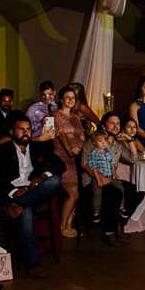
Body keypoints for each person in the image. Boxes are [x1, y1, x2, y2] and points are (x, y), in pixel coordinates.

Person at [0, 111, 65, 278]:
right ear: (12, 132)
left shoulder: (37, 147)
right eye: (21, 129)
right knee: (26, 212)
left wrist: (42, 177)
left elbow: (60, 165)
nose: (25, 133)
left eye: (28, 129)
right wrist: (15, 192)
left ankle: (18, 204)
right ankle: (33, 265)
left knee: (55, 181)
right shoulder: (4, 150)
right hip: (12, 194)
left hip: (33, 192)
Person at [86, 130, 130, 246]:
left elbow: (117, 162)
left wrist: (115, 173)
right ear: (95, 143)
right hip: (98, 177)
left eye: (105, 141)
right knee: (100, 192)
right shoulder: (94, 152)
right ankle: (98, 214)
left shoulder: (110, 150)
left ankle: (121, 210)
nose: (103, 143)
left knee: (125, 188)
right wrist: (99, 179)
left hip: (110, 176)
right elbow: (91, 167)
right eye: (100, 141)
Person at [52, 85, 85, 238]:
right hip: (62, 157)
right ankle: (62, 225)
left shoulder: (75, 117)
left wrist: (80, 147)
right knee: (73, 193)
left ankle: (69, 225)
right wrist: (71, 149)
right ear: (61, 99)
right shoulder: (54, 116)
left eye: (73, 98)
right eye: (68, 97)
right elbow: (60, 135)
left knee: (76, 194)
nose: (71, 100)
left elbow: (82, 137)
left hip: (76, 158)